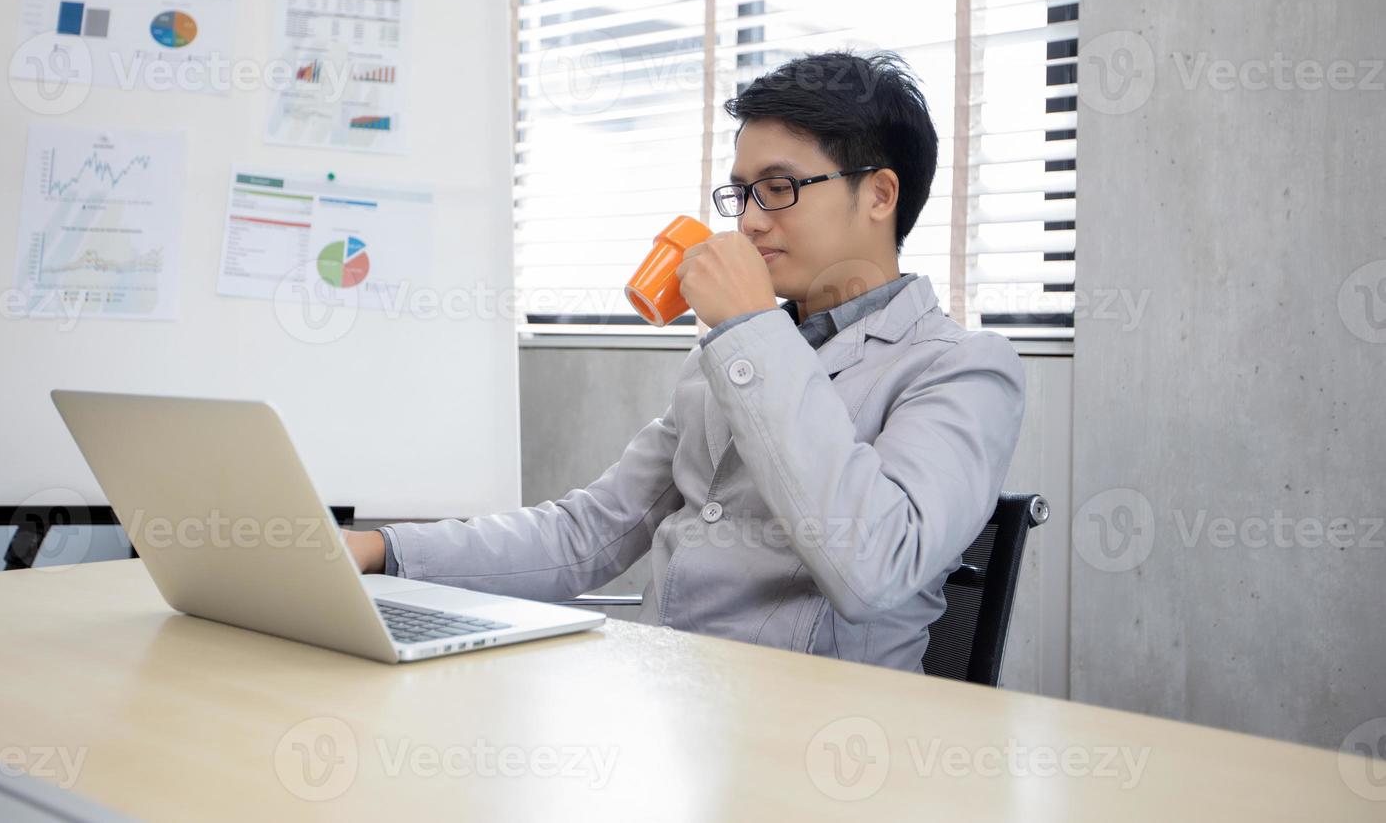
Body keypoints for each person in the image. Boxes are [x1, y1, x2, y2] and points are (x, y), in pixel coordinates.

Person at [343, 50, 1025, 672]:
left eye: (779, 188)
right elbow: (590, 532)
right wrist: (384, 550)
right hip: (662, 703)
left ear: (878, 194)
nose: (751, 221)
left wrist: (752, 327)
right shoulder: (732, 355)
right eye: (742, 192)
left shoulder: (962, 369)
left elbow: (873, 569)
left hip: (819, 744)